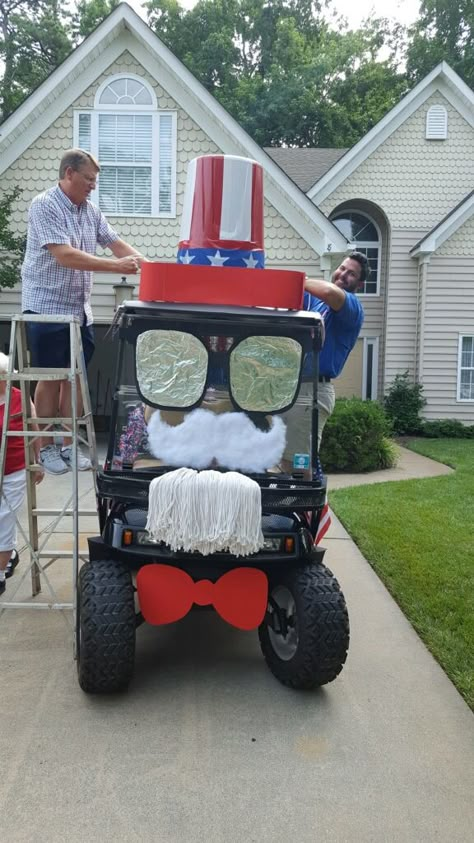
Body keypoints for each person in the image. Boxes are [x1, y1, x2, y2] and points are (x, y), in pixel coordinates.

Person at [21, 148, 144, 475]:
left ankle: (70, 445)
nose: (92, 185)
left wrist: (156, 270)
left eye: (95, 180)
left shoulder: (90, 211)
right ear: (68, 173)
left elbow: (117, 244)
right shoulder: (44, 205)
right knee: (51, 377)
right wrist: (115, 266)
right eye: (88, 179)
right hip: (46, 307)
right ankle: (46, 448)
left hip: (79, 310)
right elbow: (66, 256)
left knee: (74, 379)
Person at [282, 251, 367, 472]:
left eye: (351, 274)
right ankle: (303, 505)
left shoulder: (352, 307)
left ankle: (302, 507)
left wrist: (300, 281)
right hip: (291, 388)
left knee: (297, 465)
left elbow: (330, 291)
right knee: (281, 460)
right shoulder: (315, 303)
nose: (343, 274)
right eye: (342, 268)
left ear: (360, 284)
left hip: (313, 391)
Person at [0, 353, 43, 595]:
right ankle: (11, 554)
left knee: (4, 518)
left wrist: (37, 461)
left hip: (14, 469)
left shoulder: (19, 398)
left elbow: (34, 429)